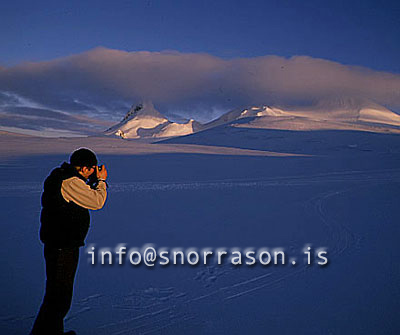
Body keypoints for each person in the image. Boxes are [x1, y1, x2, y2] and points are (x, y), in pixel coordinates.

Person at [31, 148, 108, 335]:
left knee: (57, 294)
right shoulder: (70, 182)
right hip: (62, 245)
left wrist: (92, 179)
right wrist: (102, 181)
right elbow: (97, 201)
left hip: (61, 242)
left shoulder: (65, 176)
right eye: (92, 168)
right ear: (84, 168)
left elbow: (82, 190)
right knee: (59, 296)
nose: (94, 170)